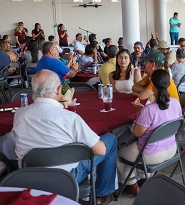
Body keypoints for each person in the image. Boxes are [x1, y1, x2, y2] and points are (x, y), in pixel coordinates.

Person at [13, 70, 117, 204]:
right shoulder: (70, 118)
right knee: (110, 140)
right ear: (58, 89)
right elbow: (100, 151)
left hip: (28, 176)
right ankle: (102, 194)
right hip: (66, 177)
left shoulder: (20, 114)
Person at [117, 69, 182, 196]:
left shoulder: (149, 110)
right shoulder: (175, 103)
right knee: (134, 151)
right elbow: (163, 116)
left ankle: (131, 184)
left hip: (152, 154)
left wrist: (141, 113)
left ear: (152, 85)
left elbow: (137, 133)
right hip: (172, 148)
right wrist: (144, 111)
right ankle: (143, 177)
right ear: (169, 84)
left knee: (118, 153)